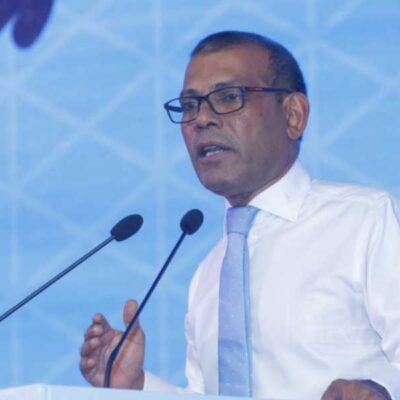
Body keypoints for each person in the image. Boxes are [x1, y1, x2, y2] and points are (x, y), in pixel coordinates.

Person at [79, 31, 400, 400]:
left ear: (293, 115)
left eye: (229, 97)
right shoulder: (209, 274)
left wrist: (380, 392)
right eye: (189, 105)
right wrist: (136, 387)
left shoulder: (367, 223)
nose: (201, 119)